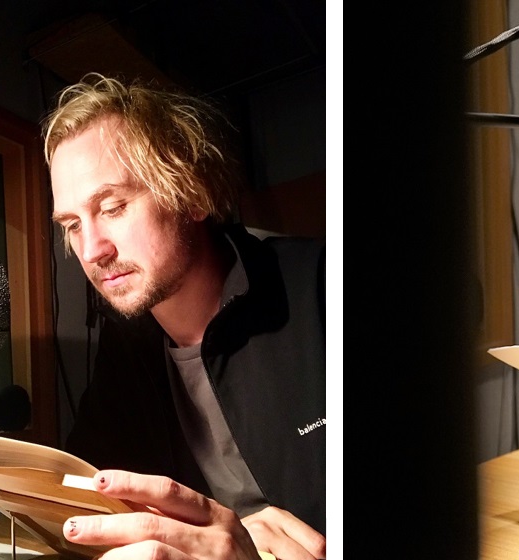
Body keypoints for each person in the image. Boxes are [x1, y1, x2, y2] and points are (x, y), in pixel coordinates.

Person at [42, 72, 326, 559]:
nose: (91, 250)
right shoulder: (126, 347)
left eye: (112, 207)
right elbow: (86, 496)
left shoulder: (320, 284)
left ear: (190, 193)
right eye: (71, 225)